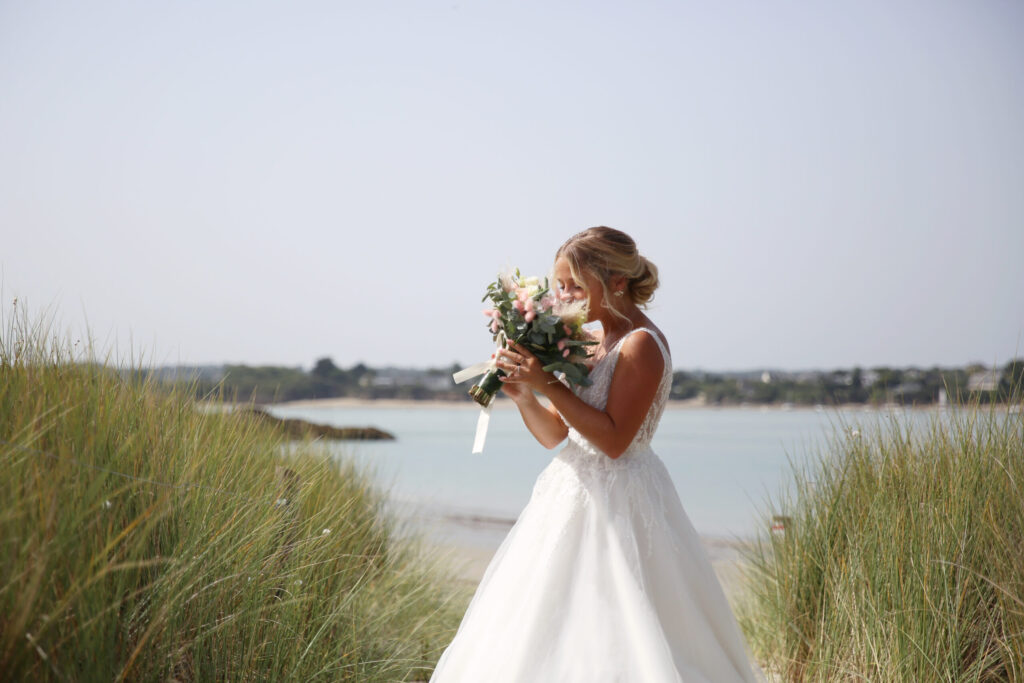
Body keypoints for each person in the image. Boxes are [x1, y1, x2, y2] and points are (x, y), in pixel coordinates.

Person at [431, 227, 764, 682]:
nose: (564, 296)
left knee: (627, 626)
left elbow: (613, 442)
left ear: (617, 282)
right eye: (559, 285)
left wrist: (546, 383)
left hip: (623, 501)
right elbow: (556, 435)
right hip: (568, 494)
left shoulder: (641, 344)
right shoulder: (588, 341)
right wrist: (524, 395)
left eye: (574, 285)